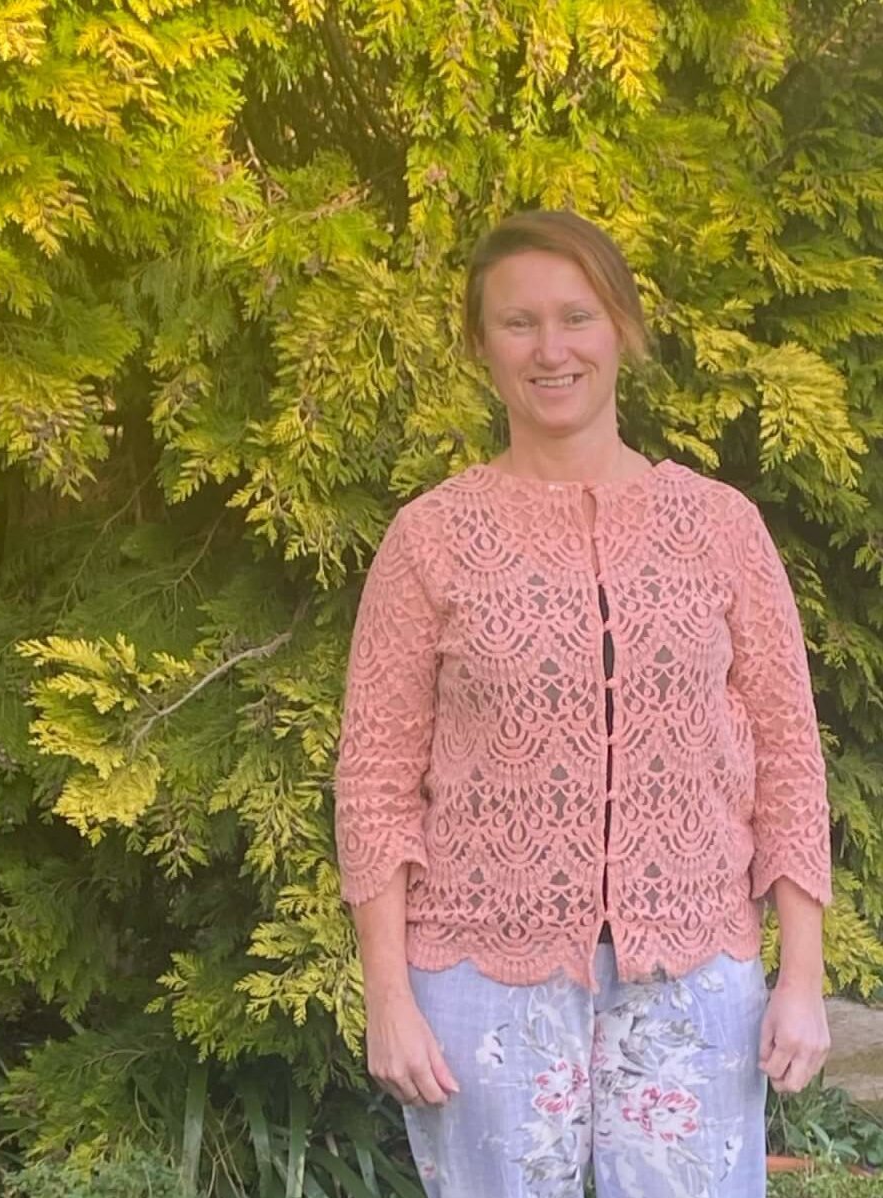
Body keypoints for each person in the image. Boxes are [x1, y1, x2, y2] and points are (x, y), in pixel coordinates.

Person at [334, 209, 832, 1197]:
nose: (550, 349)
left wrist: (803, 977)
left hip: (695, 971)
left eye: (577, 316)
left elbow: (788, 759)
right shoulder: (430, 539)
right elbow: (376, 779)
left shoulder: (720, 528)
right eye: (518, 323)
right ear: (481, 346)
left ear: (623, 329)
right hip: (481, 976)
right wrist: (386, 994)